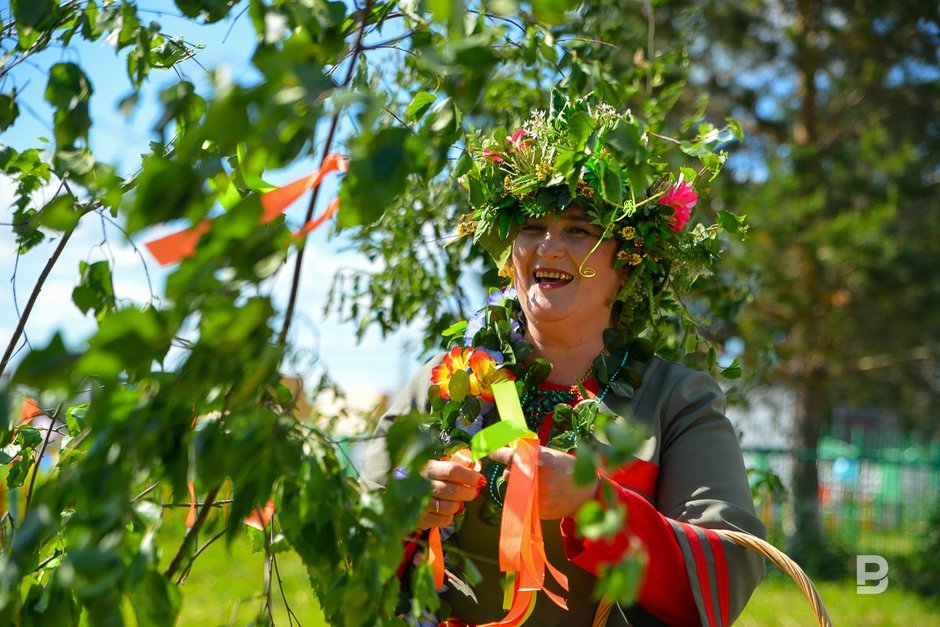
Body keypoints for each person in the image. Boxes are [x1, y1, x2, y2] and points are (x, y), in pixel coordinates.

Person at [362, 91, 765, 626]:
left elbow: (724, 574)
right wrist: (405, 512)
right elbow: (353, 548)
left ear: (628, 265)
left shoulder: (677, 402)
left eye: (578, 229)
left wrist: (594, 503)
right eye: (532, 227)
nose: (548, 248)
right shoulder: (447, 384)